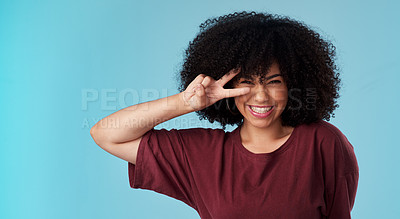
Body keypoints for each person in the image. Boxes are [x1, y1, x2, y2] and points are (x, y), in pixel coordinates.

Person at [90, 11, 359, 219]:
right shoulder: (204, 155)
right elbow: (106, 134)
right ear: (228, 85)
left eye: (274, 82)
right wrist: (186, 102)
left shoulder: (324, 143)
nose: (261, 96)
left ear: (294, 85)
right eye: (247, 82)